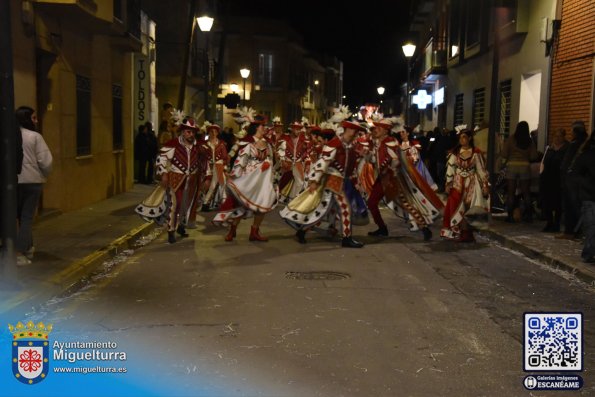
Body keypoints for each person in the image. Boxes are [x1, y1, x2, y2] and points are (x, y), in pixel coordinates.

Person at [280, 109, 369, 248]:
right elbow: (322, 163)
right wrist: (314, 181)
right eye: (354, 130)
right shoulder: (334, 144)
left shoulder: (350, 147)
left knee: (324, 210)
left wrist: (356, 181)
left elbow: (351, 168)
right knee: (345, 207)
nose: (356, 133)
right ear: (347, 130)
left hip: (341, 181)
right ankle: (347, 238)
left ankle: (302, 231)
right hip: (332, 180)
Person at [366, 119, 442, 241]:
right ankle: (382, 228)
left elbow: (395, 160)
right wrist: (367, 155)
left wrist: (386, 167)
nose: (376, 130)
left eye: (379, 128)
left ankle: (424, 228)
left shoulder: (390, 142)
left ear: (386, 130)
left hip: (392, 179)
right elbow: (375, 161)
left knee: (406, 203)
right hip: (383, 179)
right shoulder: (378, 143)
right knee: (371, 203)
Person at [212, 114, 278, 242]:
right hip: (248, 178)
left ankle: (254, 231)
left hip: (263, 179)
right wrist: (235, 175)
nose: (265, 128)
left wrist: (270, 168)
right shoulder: (247, 142)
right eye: (262, 126)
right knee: (240, 203)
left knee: (262, 203)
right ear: (256, 128)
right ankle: (232, 230)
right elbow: (241, 160)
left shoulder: (268, 143)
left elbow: (271, 159)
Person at [15, 106, 53, 265]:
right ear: (27, 119)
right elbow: (46, 161)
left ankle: (28, 247)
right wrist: (44, 174)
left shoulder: (11, 136)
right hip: (32, 182)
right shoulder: (35, 137)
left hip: (14, 181)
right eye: (34, 118)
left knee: (17, 217)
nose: (36, 121)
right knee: (26, 218)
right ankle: (19, 252)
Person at [156, 116, 201, 244]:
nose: (191, 134)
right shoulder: (173, 144)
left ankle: (181, 226)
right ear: (182, 132)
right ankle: (171, 231)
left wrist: (206, 177)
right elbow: (161, 159)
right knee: (176, 204)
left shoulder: (197, 146)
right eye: (188, 131)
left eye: (193, 132)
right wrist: (163, 174)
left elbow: (203, 162)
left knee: (187, 205)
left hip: (191, 180)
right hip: (176, 179)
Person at [441, 126, 490, 242]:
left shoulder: (476, 152)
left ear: (469, 138)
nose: (461, 140)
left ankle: (467, 234)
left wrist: (485, 185)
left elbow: (481, 170)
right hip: (457, 185)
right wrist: (448, 184)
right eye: (460, 137)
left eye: (464, 137)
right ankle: (460, 233)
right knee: (456, 208)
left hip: (471, 185)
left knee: (468, 210)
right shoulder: (455, 153)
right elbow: (450, 169)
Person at [499, 121, 538, 223]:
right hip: (525, 166)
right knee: (526, 192)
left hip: (511, 166)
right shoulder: (530, 141)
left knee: (511, 192)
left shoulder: (511, 139)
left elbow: (504, 154)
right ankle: (529, 215)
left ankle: (510, 216)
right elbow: (534, 156)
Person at [557, 121, 588, 239]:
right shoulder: (586, 143)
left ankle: (570, 231)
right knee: (578, 206)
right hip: (582, 181)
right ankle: (578, 231)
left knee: (570, 206)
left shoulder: (575, 144)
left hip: (571, 180)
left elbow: (566, 163)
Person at [539, 128, 568, 232]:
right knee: (547, 202)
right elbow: (543, 161)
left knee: (558, 203)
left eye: (560, 136)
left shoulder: (566, 148)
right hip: (547, 178)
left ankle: (556, 224)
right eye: (555, 136)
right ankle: (549, 222)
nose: (557, 138)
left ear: (564, 137)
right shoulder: (549, 148)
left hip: (559, 179)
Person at [573, 130, 595, 263]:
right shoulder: (587, 156)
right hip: (590, 195)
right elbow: (576, 174)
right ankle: (588, 253)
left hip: (589, 195)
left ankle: (588, 253)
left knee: (591, 226)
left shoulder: (585, 155)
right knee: (592, 226)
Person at [197, 123, 229, 212]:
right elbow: (200, 155)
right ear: (209, 133)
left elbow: (225, 156)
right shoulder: (205, 144)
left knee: (221, 184)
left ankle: (209, 203)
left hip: (219, 165)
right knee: (214, 185)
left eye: (215, 132)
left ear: (218, 133)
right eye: (212, 132)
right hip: (208, 166)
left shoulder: (221, 144)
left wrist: (225, 167)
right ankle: (207, 203)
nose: (214, 133)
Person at [277, 121, 309, 204]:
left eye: (299, 129)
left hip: (298, 164)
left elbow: (306, 152)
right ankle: (280, 197)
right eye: (296, 129)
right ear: (292, 129)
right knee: (283, 180)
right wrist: (283, 160)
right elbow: (281, 150)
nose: (298, 131)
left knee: (300, 182)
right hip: (287, 163)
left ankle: (294, 199)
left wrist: (306, 161)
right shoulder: (285, 138)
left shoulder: (303, 140)